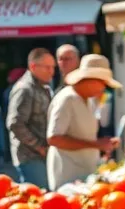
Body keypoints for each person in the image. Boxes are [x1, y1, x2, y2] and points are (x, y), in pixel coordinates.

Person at [47, 54, 120, 190]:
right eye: (103, 83)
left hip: (86, 173)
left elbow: (86, 135)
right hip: (68, 176)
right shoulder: (67, 99)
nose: (104, 88)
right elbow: (54, 138)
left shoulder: (90, 100)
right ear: (90, 79)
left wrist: (104, 143)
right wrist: (96, 144)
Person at [7, 48, 56, 189]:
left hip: (41, 156)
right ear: (33, 67)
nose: (51, 71)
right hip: (30, 157)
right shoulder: (25, 89)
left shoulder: (43, 87)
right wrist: (39, 147)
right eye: (47, 67)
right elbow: (15, 123)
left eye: (53, 67)